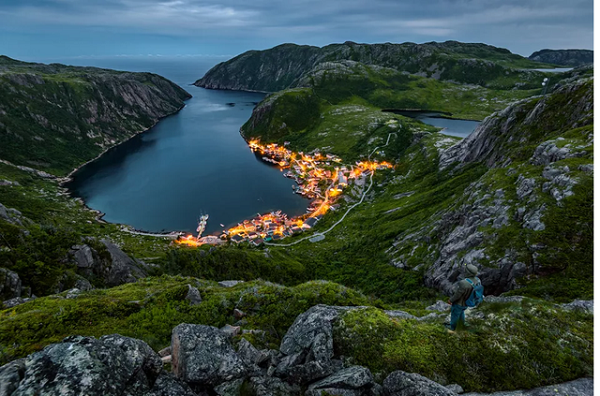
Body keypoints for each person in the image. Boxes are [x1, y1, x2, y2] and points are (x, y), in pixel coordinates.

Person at [446, 264, 482, 332]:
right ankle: (461, 324)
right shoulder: (478, 280)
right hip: (468, 302)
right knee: (461, 312)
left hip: (459, 303)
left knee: (455, 314)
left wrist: (451, 300)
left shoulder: (464, 283)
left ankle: (453, 328)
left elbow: (458, 294)